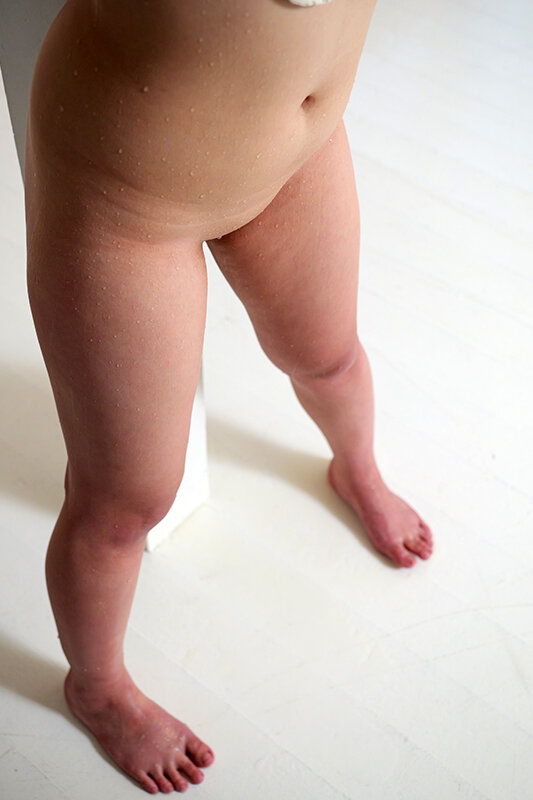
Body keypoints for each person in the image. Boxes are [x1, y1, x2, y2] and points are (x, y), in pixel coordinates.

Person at [24, 0, 433, 793]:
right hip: (125, 196)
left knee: (328, 358)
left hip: (298, 153)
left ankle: (357, 468)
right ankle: (96, 687)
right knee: (125, 499)